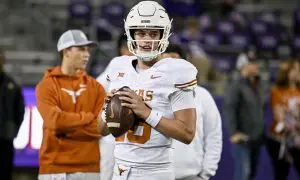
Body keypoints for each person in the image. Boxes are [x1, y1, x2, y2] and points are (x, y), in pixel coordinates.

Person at [99, 1, 197, 180]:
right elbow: (101, 131)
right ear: (131, 34)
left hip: (155, 172)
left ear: (164, 35)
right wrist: (107, 113)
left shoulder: (176, 71)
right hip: (119, 171)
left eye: (153, 34)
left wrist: (146, 112)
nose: (146, 40)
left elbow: (187, 133)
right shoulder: (118, 66)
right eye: (141, 33)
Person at [36, 29, 106, 180]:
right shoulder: (46, 86)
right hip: (54, 169)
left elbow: (100, 129)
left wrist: (64, 129)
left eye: (87, 50)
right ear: (66, 51)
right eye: (81, 49)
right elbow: (54, 122)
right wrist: (86, 117)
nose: (87, 54)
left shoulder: (97, 88)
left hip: (89, 168)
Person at [161, 44, 223, 180]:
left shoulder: (202, 95)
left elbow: (214, 135)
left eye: (175, 60)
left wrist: (206, 173)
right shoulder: (150, 95)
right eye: (165, 61)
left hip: (191, 176)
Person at [97, 33, 133, 180]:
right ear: (122, 50)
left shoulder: (145, 71)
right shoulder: (117, 65)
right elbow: (96, 88)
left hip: (133, 138)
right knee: (107, 174)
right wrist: (105, 107)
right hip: (112, 136)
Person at [223, 56, 264, 180]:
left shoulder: (254, 85)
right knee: (243, 174)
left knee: (251, 174)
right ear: (244, 66)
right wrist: (234, 132)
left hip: (255, 138)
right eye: (253, 63)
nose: (257, 66)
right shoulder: (236, 85)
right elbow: (230, 109)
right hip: (242, 138)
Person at [266, 60, 300, 180]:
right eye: (295, 70)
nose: (298, 72)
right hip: (280, 140)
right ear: (287, 72)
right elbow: (279, 118)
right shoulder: (277, 90)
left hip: (297, 140)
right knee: (281, 174)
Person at [0, 49, 25, 180]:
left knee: (5, 170)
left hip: (5, 137)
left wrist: (13, 130)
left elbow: (20, 111)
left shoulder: (12, 85)